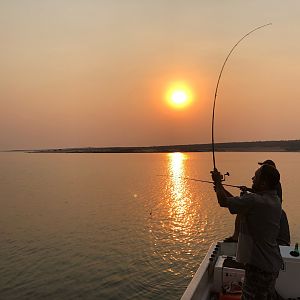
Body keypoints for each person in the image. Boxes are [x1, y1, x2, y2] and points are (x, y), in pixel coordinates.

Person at [211, 165, 283, 299]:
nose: (252, 178)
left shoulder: (254, 200)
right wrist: (221, 189)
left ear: (263, 183)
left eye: (256, 177)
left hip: (259, 267)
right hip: (271, 264)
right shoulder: (275, 200)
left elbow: (223, 202)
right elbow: (237, 204)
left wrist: (218, 182)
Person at [224, 159, 290, 246]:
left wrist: (219, 186)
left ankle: (236, 236)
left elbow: (262, 196)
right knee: (243, 208)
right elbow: (261, 192)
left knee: (242, 211)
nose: (253, 178)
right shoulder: (270, 183)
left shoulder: (274, 186)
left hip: (269, 209)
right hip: (268, 206)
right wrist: (247, 189)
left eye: (263, 167)